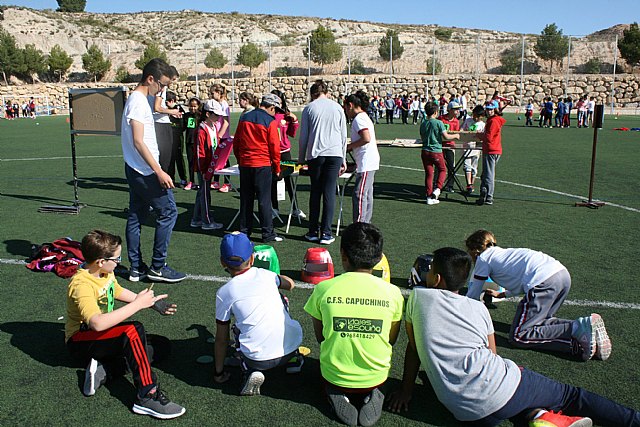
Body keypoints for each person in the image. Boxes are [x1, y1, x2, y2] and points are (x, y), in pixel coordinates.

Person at [388, 247, 640, 427]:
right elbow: (492, 354)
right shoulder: (478, 309)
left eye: (430, 269)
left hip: (465, 413)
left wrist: (406, 390)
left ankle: (538, 416)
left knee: (506, 393)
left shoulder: (418, 299)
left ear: (436, 278)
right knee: (572, 396)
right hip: (498, 388)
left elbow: (414, 348)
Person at [65, 230, 185, 419]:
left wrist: (152, 304)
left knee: (160, 346)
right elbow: (96, 323)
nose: (119, 262)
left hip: (103, 337)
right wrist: (138, 305)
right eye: (116, 258)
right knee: (133, 330)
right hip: (80, 341)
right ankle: (147, 396)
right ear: (100, 261)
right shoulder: (81, 284)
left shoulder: (104, 273)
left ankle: (104, 371)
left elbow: (117, 290)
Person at [304, 222, 404, 427]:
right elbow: (391, 340)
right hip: (377, 376)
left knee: (329, 371)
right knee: (375, 375)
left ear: (343, 255)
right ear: (378, 258)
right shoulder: (393, 292)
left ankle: (336, 392)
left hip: (334, 375)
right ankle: (373, 392)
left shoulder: (324, 289)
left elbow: (321, 336)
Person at [465, 229, 611, 360]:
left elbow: (472, 295)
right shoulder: (504, 253)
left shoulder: (483, 259)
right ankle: (588, 329)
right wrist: (502, 295)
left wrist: (458, 308)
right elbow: (520, 277)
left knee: (519, 336)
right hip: (562, 275)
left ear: (475, 251)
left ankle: (576, 332)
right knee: (541, 322)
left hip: (543, 281)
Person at [213, 232, 303, 395]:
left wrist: (218, 372)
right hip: (290, 347)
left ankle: (249, 370)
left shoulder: (224, 292)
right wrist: (275, 277)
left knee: (236, 329)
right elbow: (290, 284)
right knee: (283, 301)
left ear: (222, 262)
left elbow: (221, 339)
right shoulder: (267, 276)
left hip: (259, 360)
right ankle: (295, 360)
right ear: (252, 259)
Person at [121, 58, 186, 283]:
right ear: (150, 79)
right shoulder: (138, 102)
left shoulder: (138, 100)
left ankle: (136, 267)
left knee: (136, 216)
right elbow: (139, 141)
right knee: (169, 212)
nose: (163, 89)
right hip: (145, 172)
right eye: (161, 84)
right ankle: (158, 266)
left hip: (135, 169)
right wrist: (159, 170)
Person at [298, 80, 348, 245]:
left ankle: (313, 231)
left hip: (316, 154)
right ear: (326, 92)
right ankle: (326, 232)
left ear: (312, 94)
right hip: (334, 154)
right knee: (329, 193)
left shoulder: (309, 108)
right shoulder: (337, 107)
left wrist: (301, 158)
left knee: (316, 192)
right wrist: (343, 158)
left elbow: (303, 136)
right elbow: (342, 135)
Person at [233, 93, 284, 243]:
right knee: (264, 200)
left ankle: (244, 232)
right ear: (272, 107)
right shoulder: (270, 121)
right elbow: (274, 147)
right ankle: (267, 233)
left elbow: (236, 142)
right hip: (262, 164)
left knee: (246, 200)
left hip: (246, 164)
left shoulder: (244, 117)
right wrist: (277, 167)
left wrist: (241, 159)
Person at [269, 89, 305, 221]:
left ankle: (295, 208)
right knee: (273, 180)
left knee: (289, 179)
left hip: (285, 152)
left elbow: (291, 133)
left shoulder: (285, 115)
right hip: (271, 153)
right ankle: (274, 208)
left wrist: (294, 121)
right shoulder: (268, 115)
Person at [345, 90, 380, 224]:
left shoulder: (359, 119)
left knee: (359, 194)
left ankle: (359, 224)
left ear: (350, 105)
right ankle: (365, 223)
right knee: (367, 194)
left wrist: (350, 147)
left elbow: (366, 138)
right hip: (368, 160)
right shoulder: (363, 117)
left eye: (346, 108)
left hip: (366, 161)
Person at [191, 99, 225, 231]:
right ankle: (207, 221)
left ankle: (196, 219)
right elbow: (200, 153)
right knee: (205, 194)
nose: (218, 117)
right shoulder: (202, 130)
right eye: (215, 115)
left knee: (202, 193)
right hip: (204, 168)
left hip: (210, 165)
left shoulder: (213, 127)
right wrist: (203, 170)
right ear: (207, 114)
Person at [420, 102, 460, 206]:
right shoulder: (438, 123)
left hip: (425, 151)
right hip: (436, 150)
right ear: (435, 112)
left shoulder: (423, 123)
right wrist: (455, 136)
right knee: (443, 170)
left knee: (429, 173)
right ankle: (437, 189)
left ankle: (429, 196)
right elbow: (446, 137)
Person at [150, 67, 181, 175]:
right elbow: (157, 108)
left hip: (155, 123)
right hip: (161, 124)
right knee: (165, 156)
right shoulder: (161, 88)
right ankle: (163, 181)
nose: (172, 83)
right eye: (172, 79)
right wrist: (173, 111)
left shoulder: (152, 86)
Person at [476, 102, 505, 206]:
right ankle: (483, 192)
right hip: (492, 149)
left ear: (494, 110)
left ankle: (489, 196)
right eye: (488, 109)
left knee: (489, 174)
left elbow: (489, 137)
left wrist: (480, 136)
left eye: (491, 109)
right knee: (486, 174)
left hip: (491, 150)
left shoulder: (493, 121)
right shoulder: (493, 120)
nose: (489, 111)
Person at [210, 84, 232, 193]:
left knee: (224, 159)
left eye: (212, 93)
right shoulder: (216, 104)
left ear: (218, 93)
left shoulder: (224, 104)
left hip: (222, 136)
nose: (211, 96)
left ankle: (227, 182)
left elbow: (226, 122)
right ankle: (216, 180)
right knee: (216, 157)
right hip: (216, 135)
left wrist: (220, 135)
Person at [460, 105, 485, 196]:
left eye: (478, 116)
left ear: (482, 116)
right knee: (467, 166)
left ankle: (472, 183)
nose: (475, 118)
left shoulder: (482, 125)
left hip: (476, 149)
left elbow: (483, 137)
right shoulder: (468, 121)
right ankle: (469, 185)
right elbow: (461, 130)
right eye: (474, 115)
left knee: (474, 168)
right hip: (466, 147)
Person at [438, 100, 462, 192]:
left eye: (458, 109)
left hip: (450, 146)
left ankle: (450, 185)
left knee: (451, 166)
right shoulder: (441, 119)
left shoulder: (456, 121)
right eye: (456, 109)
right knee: (439, 166)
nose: (458, 111)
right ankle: (437, 184)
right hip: (440, 145)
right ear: (450, 110)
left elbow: (457, 134)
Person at [165, 91, 188, 187]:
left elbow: (183, 124)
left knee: (179, 158)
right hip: (167, 138)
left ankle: (183, 179)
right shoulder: (165, 110)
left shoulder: (179, 109)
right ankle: (171, 178)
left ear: (172, 101)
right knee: (170, 159)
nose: (165, 104)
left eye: (167, 102)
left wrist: (178, 130)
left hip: (177, 138)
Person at [182, 97, 201, 191]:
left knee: (200, 162)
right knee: (190, 162)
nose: (193, 108)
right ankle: (191, 181)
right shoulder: (186, 116)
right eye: (191, 106)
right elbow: (183, 127)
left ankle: (202, 181)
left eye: (195, 106)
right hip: (189, 142)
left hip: (199, 143)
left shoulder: (201, 116)